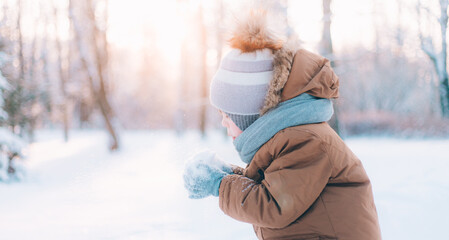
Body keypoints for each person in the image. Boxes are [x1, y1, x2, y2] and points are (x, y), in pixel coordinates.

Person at [183, 9, 381, 240]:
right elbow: (276, 185)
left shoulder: (308, 142)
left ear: (250, 115)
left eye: (228, 115)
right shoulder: (289, 138)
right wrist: (229, 174)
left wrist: (220, 185)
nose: (223, 122)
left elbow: (274, 204)